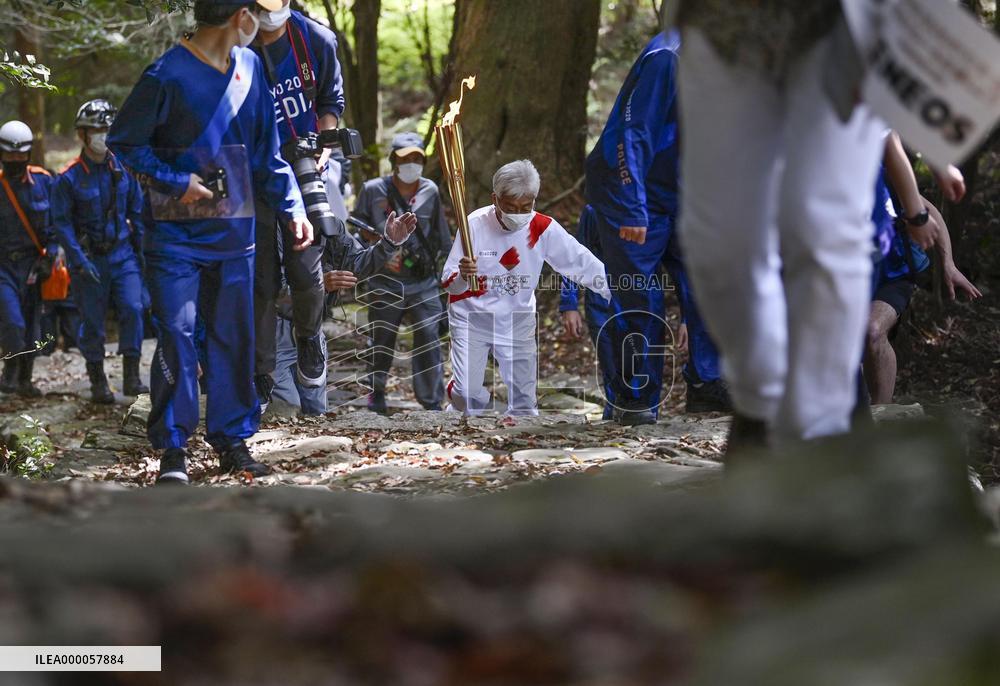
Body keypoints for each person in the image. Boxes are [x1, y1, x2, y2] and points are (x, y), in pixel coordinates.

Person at [108, 0, 312, 484]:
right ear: (241, 17)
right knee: (178, 336)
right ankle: (173, 449)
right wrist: (176, 182)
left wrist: (294, 207)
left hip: (235, 235)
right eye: (255, 12)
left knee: (233, 339)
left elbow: (267, 154)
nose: (260, 21)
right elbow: (125, 143)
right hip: (174, 237)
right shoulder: (166, 75)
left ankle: (232, 440)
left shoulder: (251, 68)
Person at [672, 2, 892, 448]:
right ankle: (760, 403)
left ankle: (822, 425)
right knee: (722, 244)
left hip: (846, 23)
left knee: (824, 231)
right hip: (724, 22)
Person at [584, 31, 726, 427]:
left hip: (679, 189)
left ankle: (707, 382)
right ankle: (636, 398)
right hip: (628, 187)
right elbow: (633, 134)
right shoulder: (667, 56)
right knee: (640, 296)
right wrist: (632, 206)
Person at [441, 160, 612, 416]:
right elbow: (449, 283)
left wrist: (615, 291)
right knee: (467, 395)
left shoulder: (541, 228)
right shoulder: (473, 225)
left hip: (517, 316)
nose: (518, 214)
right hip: (472, 316)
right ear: (495, 199)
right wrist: (464, 276)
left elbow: (580, 262)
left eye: (526, 207)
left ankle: (520, 433)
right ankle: (460, 402)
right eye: (511, 207)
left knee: (524, 400)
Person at [249, 0, 346, 410]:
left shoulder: (315, 40)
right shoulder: (236, 42)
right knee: (261, 277)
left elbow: (330, 103)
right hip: (253, 170)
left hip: (303, 165)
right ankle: (261, 370)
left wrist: (325, 143)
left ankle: (308, 338)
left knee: (306, 268)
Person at [52, 99, 150, 404]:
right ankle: (97, 380)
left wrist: (143, 256)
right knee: (92, 323)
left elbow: (137, 211)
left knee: (133, 308)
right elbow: (61, 224)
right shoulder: (68, 178)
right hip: (89, 260)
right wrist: (79, 260)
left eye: (107, 129)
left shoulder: (123, 169)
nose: (102, 136)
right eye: (96, 130)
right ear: (82, 134)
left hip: (123, 255)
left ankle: (131, 376)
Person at [353, 132, 451, 414]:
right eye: (405, 158)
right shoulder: (372, 189)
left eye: (417, 158)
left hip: (423, 281)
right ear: (394, 160)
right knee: (382, 337)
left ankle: (432, 402)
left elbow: (442, 237)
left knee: (429, 335)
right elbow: (355, 230)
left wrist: (449, 274)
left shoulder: (430, 190)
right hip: (384, 281)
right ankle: (376, 393)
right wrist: (378, 251)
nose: (412, 163)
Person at [0, 120, 59, 397]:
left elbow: (58, 223)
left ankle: (25, 378)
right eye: (9, 154)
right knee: (13, 321)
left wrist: (51, 256)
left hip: (34, 265)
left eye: (20, 154)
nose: (15, 160)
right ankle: (10, 370)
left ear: (28, 154)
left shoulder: (44, 181)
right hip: (3, 266)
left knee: (33, 322)